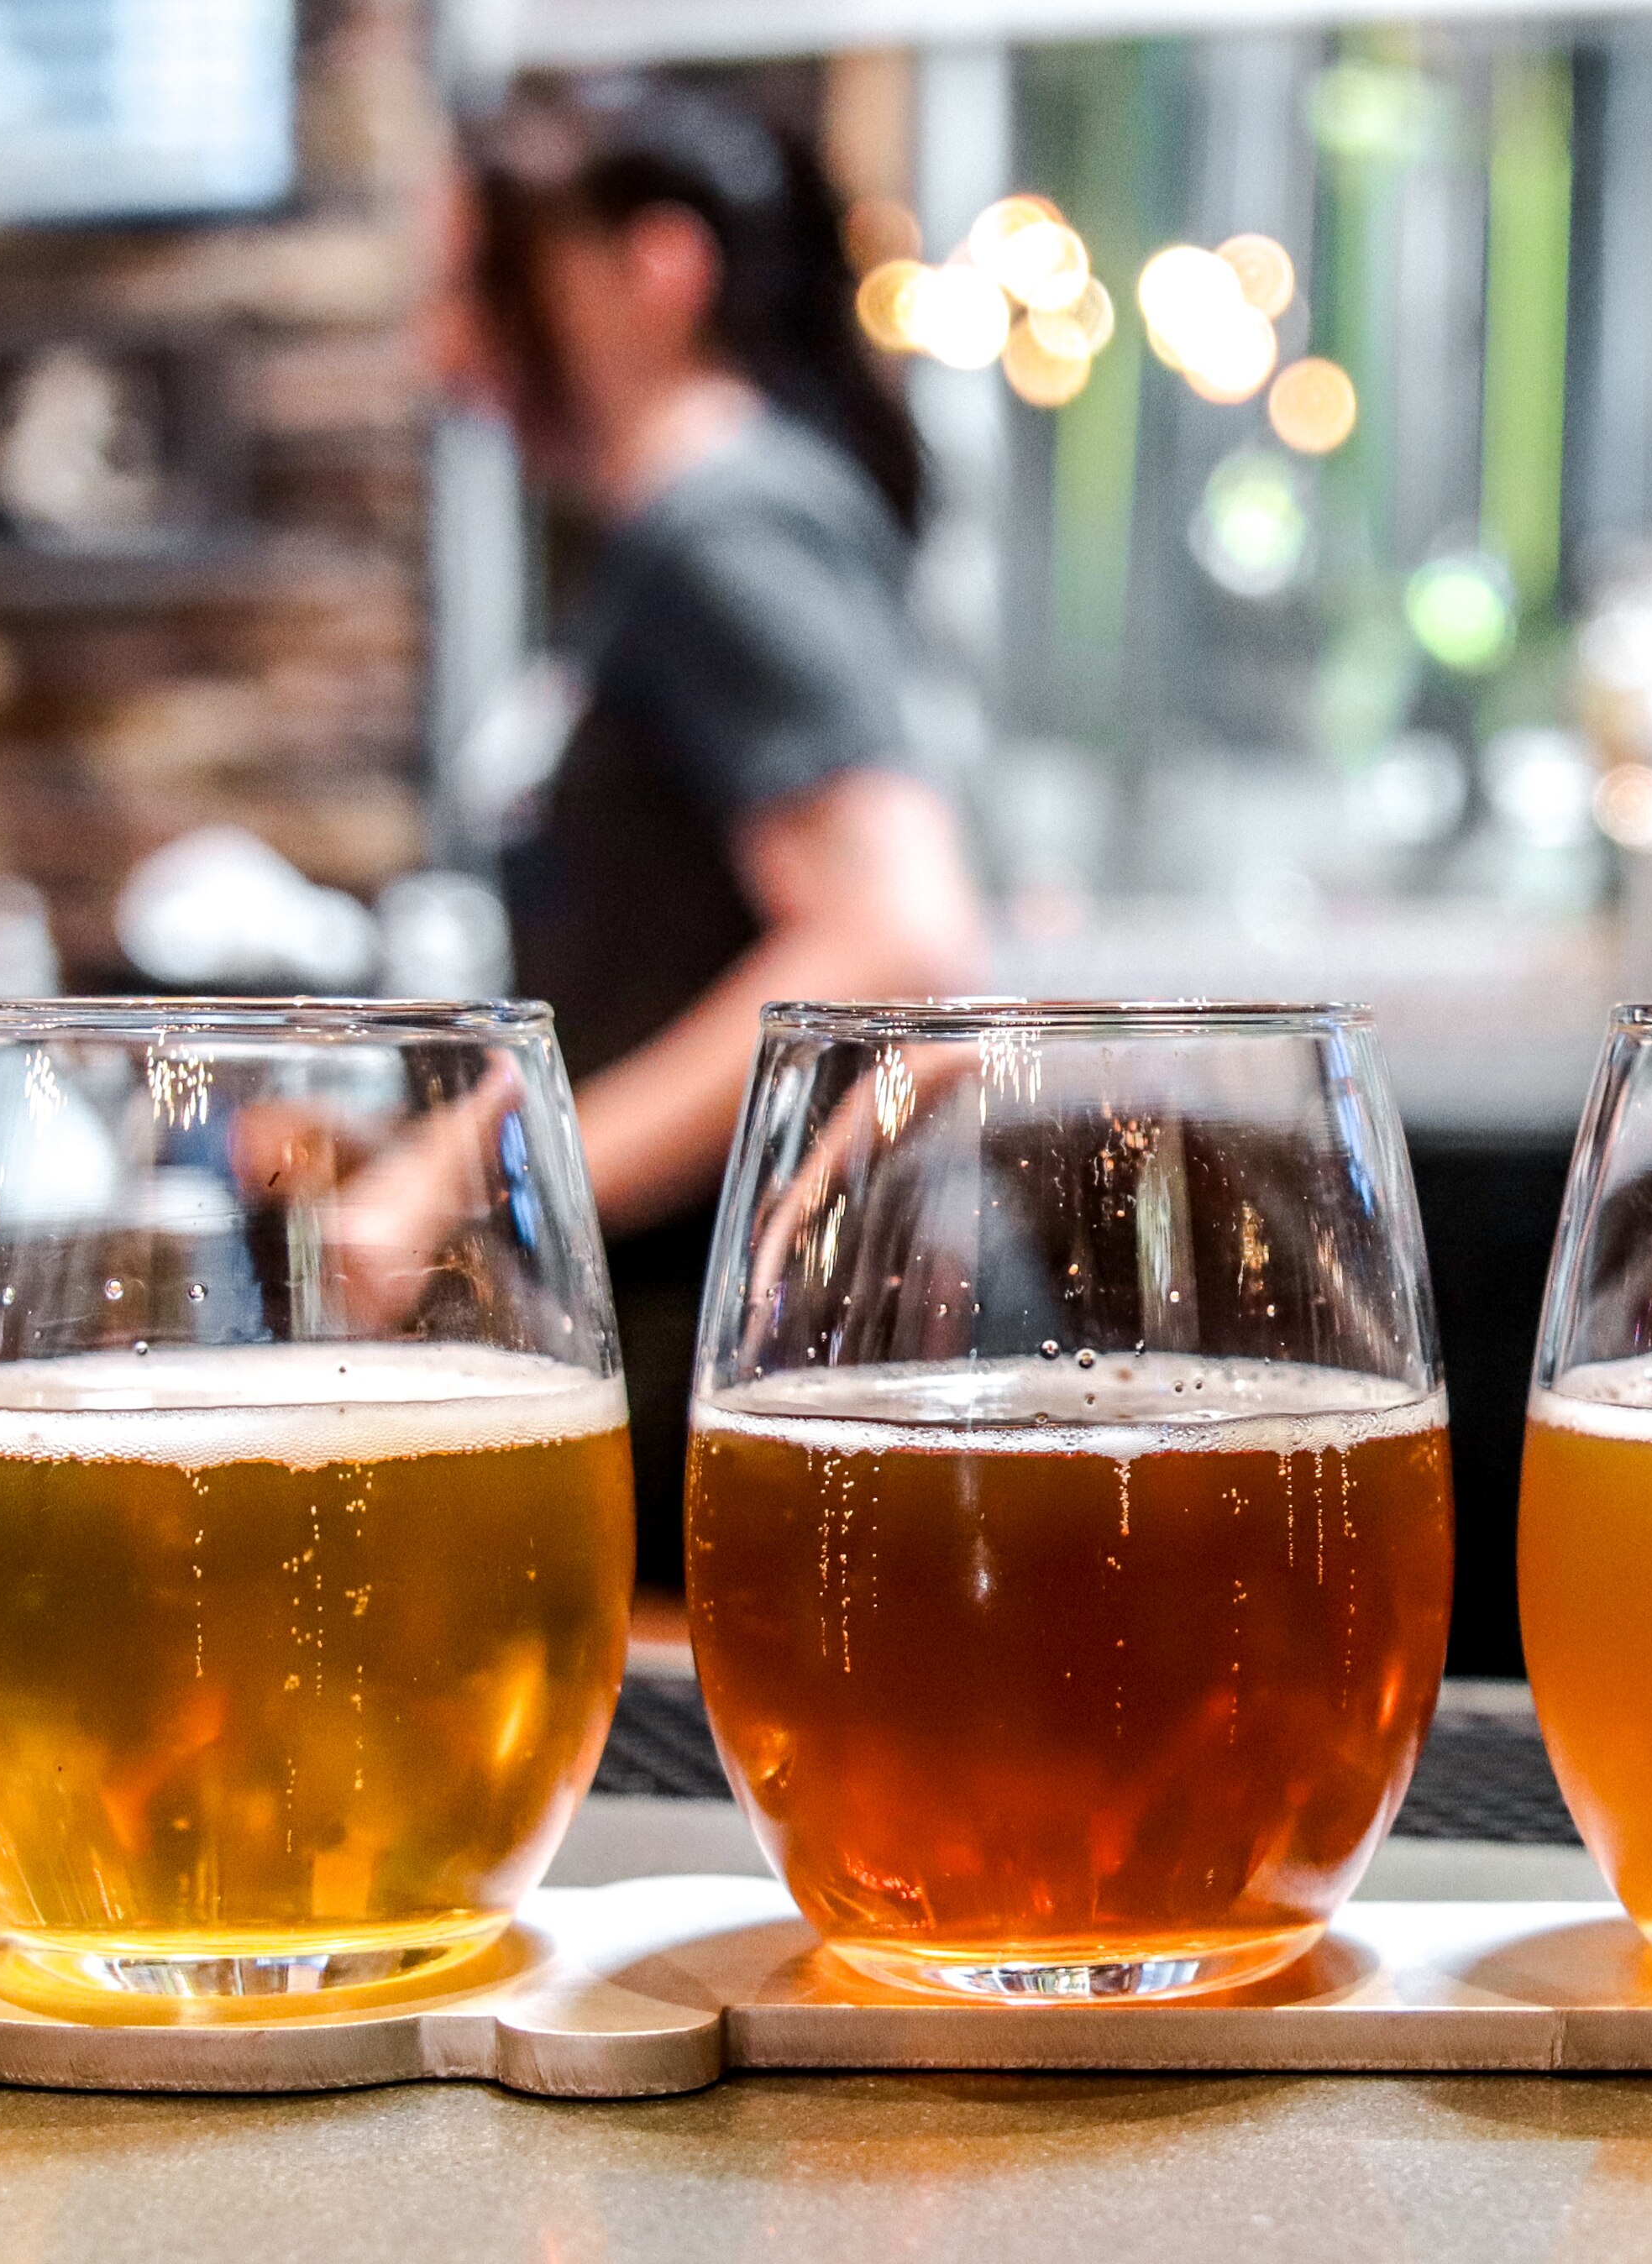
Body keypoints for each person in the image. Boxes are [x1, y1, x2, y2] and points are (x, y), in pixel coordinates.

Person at [434, 76, 989, 1578]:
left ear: (657, 271)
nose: (449, 346)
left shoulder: (717, 523)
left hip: (758, 1345)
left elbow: (897, 935)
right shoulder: (694, 524)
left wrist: (490, 1182)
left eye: (480, 285)